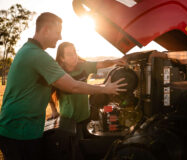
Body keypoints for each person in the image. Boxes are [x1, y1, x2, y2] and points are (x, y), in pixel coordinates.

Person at [0, 12, 127, 160]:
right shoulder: (37, 55)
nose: (60, 37)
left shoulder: (29, 51)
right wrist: (105, 89)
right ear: (46, 29)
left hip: (22, 131)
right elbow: (73, 86)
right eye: (58, 32)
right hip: (19, 133)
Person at [49, 42, 126, 137]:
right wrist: (54, 111)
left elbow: (101, 64)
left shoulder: (83, 67)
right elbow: (49, 94)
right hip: (68, 120)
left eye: (74, 52)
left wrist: (114, 61)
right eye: (69, 54)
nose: (74, 56)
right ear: (62, 58)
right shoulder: (58, 74)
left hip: (85, 116)